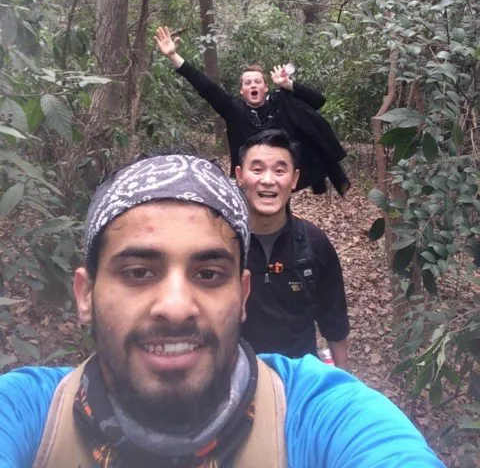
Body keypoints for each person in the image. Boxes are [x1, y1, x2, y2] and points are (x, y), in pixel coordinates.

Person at [0, 155, 445, 467]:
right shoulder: (27, 415)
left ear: (242, 293)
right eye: (138, 272)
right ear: (86, 295)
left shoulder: (320, 417)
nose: (176, 307)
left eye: (209, 274)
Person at [154, 26, 350, 195]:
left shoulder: (281, 103)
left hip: (279, 178)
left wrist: (288, 84)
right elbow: (205, 86)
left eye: (257, 81)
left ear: (265, 87)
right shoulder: (234, 110)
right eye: (248, 83)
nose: (253, 85)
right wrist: (173, 56)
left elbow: (318, 101)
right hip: (247, 179)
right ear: (242, 90)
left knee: (279, 215)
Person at [236, 130, 349, 367]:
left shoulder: (314, 242)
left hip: (299, 378)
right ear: (239, 176)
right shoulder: (224, 242)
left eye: (280, 171)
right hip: (237, 375)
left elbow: (334, 322)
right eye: (257, 170)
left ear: (294, 179)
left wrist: (344, 379)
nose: (268, 180)